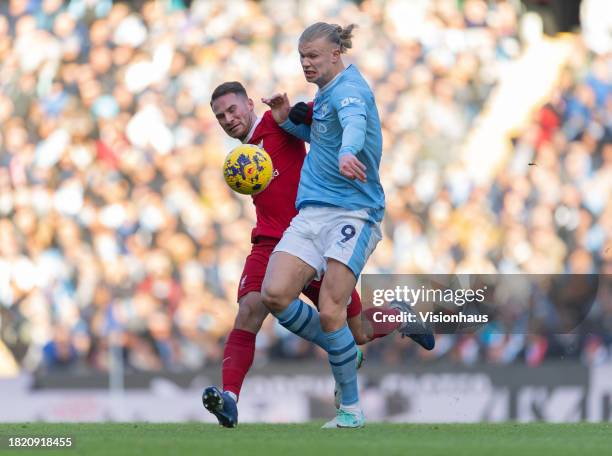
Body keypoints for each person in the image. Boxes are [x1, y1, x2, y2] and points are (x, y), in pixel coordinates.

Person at [202, 81, 430, 428]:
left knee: (359, 332)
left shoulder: (277, 123)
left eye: (232, 110)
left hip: (314, 239)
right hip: (270, 243)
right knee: (250, 309)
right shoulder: (241, 158)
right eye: (220, 116)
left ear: (249, 104)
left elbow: (321, 122)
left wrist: (295, 110)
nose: (228, 119)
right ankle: (229, 398)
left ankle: (397, 315)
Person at [260, 22, 420, 428]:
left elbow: (353, 126)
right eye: (301, 58)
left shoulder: (350, 90)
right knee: (275, 294)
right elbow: (323, 134)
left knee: (332, 312)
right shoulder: (326, 92)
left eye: (313, 56)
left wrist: (350, 153)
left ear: (336, 54)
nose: (306, 64)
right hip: (312, 211)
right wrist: (284, 118)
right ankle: (357, 343)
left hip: (353, 213)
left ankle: (350, 409)